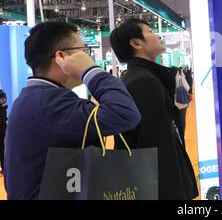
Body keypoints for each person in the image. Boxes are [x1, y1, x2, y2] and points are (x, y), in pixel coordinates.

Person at [4, 21, 142, 200]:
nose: (88, 57)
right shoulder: (49, 103)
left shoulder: (36, 98)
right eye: (84, 51)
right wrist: (91, 71)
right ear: (61, 57)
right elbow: (125, 113)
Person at [110, 18, 198, 200]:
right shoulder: (144, 82)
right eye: (149, 31)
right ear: (136, 43)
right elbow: (158, 148)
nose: (157, 35)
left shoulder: (141, 78)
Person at [174, 67, 190, 146]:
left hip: (175, 103)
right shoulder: (181, 77)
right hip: (182, 103)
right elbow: (187, 87)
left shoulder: (172, 78)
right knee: (182, 121)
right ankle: (182, 135)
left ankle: (178, 135)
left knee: (177, 120)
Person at [0, 89, 7, 173]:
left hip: (1, 124)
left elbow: (3, 109)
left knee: (2, 146)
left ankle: (4, 167)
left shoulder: (1, 94)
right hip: (2, 124)